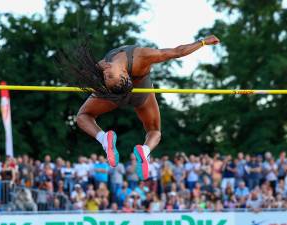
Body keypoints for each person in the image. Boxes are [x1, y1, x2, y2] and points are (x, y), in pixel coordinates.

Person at [64, 35, 220, 180]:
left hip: (127, 93)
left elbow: (177, 52)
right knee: (154, 131)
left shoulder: (126, 60)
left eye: (108, 76)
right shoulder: (129, 60)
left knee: (84, 116)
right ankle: (142, 150)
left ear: (126, 73)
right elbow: (175, 52)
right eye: (107, 77)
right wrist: (202, 42)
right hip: (127, 93)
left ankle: (107, 140)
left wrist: (203, 43)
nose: (106, 73)